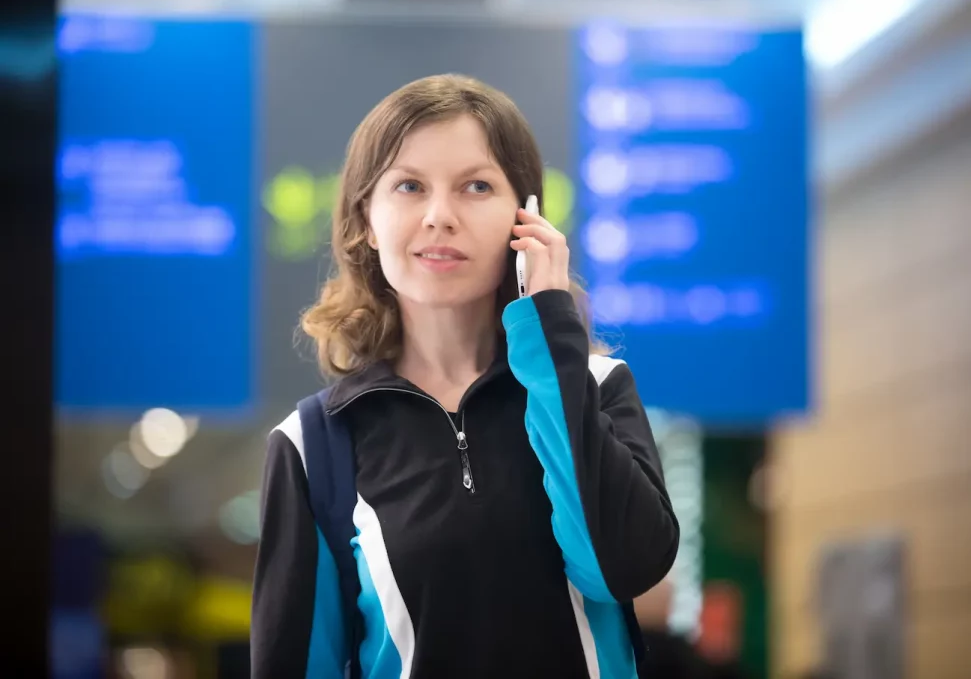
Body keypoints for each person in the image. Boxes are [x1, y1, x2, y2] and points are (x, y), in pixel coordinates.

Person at [250, 73, 680, 678]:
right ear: (367, 221)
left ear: (524, 218)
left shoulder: (597, 387)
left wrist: (550, 332)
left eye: (477, 186)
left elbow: (620, 568)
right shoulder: (312, 443)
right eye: (408, 186)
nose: (439, 216)